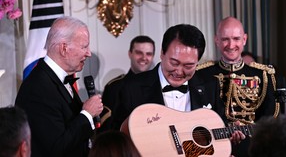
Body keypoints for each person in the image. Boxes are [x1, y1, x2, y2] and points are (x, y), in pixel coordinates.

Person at [112, 24, 245, 147]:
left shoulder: (210, 86)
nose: (179, 71)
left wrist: (229, 137)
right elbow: (114, 139)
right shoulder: (131, 88)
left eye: (188, 66)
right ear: (162, 53)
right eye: (174, 63)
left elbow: (218, 127)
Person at [15, 16, 103, 157]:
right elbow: (54, 148)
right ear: (64, 48)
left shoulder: (54, 79)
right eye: (84, 46)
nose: (89, 53)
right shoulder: (38, 88)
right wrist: (87, 114)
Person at [196, 16, 279, 157]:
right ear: (216, 40)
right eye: (225, 39)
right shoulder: (201, 74)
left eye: (236, 39)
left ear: (244, 40)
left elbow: (269, 118)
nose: (230, 44)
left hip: (253, 148)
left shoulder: (263, 75)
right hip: (214, 147)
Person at [100, 35, 155, 130]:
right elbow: (107, 128)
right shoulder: (115, 87)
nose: (144, 57)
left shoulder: (160, 84)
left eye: (148, 54)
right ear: (130, 54)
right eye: (139, 53)